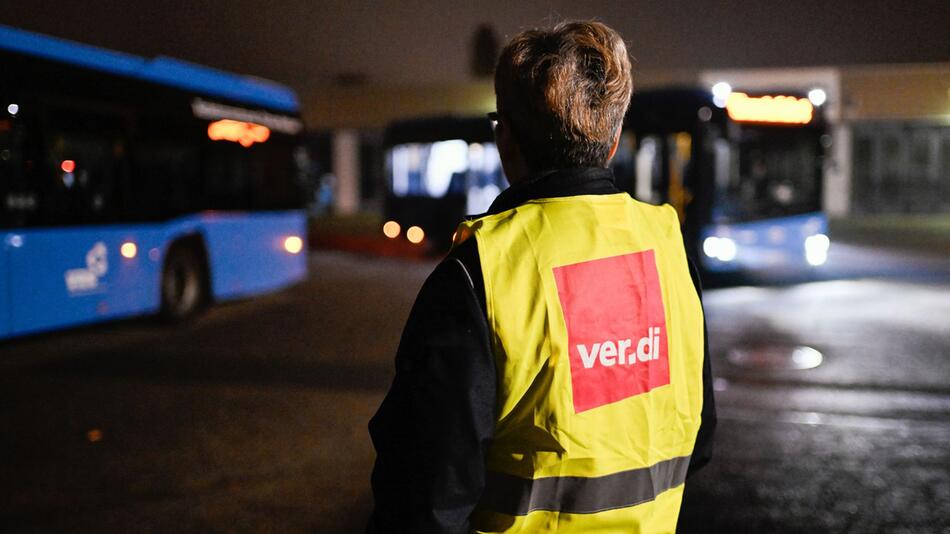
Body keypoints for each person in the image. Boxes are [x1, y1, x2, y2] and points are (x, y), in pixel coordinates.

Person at [368, 20, 715, 533]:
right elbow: (700, 441)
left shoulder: (481, 269)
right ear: (614, 137)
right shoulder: (669, 245)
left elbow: (424, 497)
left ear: (505, 135)